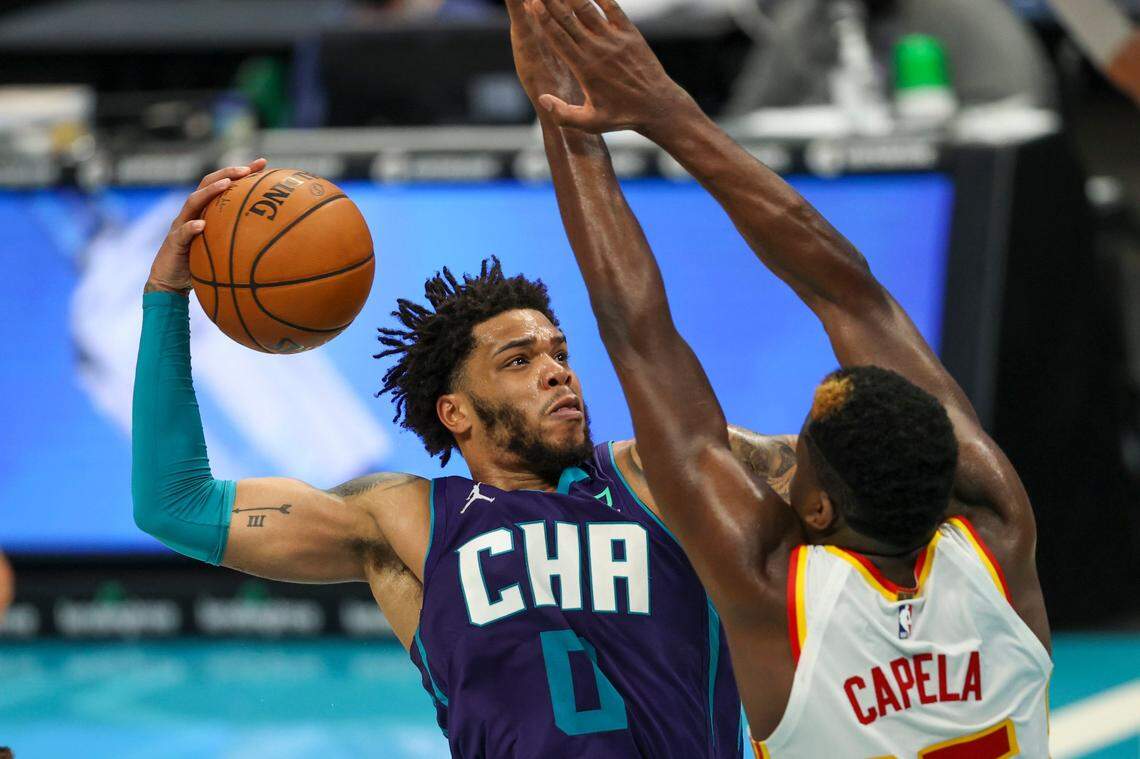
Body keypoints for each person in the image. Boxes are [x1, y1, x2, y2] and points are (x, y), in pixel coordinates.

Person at [520, 0, 1052, 754]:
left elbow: (649, 328)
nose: (781, 460)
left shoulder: (781, 593)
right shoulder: (999, 536)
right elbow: (841, 293)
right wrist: (665, 112)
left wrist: (566, 101)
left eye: (798, 456)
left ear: (821, 508)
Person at [131, 159, 796, 753]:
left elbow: (843, 472)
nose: (557, 372)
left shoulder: (658, 473)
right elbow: (174, 504)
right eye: (520, 360)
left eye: (560, 353)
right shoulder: (407, 524)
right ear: (456, 412)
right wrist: (166, 297)